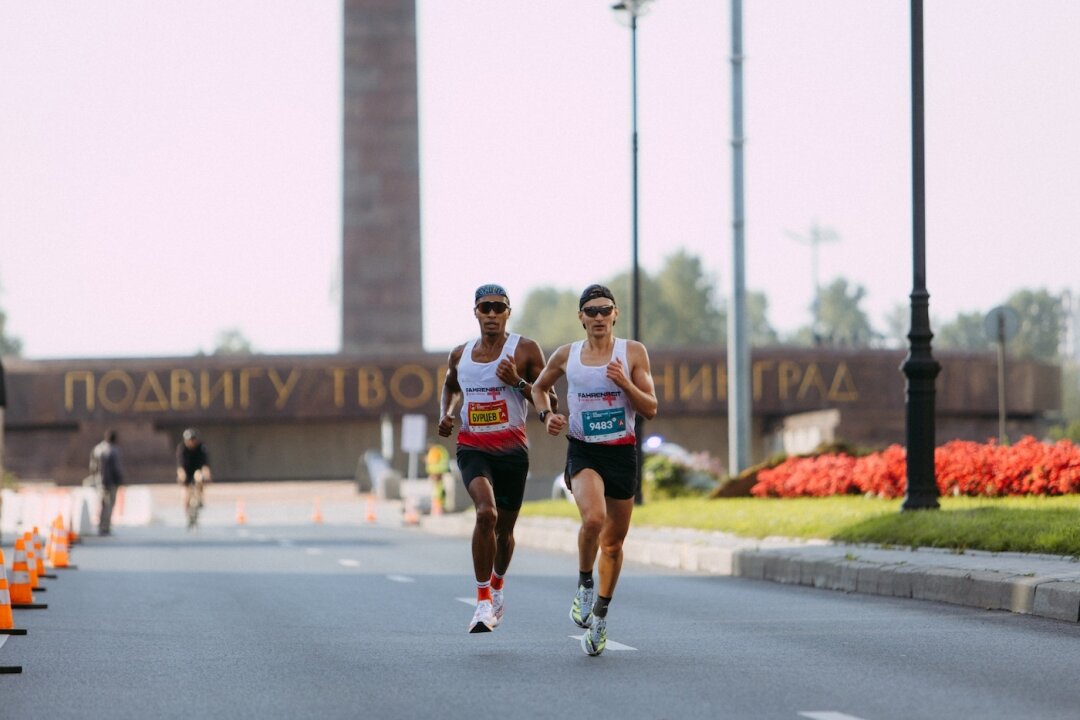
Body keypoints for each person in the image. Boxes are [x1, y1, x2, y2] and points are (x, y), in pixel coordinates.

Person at [530, 284, 658, 656]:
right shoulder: (566, 355)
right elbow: (540, 389)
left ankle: (600, 615)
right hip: (584, 451)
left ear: (615, 314)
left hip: (622, 453)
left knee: (614, 544)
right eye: (592, 311)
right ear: (581, 317)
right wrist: (548, 415)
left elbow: (650, 407)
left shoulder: (632, 352)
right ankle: (585, 585)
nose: (599, 317)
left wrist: (623, 382)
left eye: (605, 311)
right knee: (593, 519)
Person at [438, 283, 554, 634]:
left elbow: (549, 401)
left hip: (512, 451)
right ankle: (483, 601)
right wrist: (446, 413)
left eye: (498, 307)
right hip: (472, 447)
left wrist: (517, 382)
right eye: (485, 307)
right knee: (485, 513)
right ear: (475, 312)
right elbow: (451, 386)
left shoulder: (527, 349)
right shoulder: (461, 354)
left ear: (508, 312)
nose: (491, 314)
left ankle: (498, 585)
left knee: (505, 531)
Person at [89, 429, 124, 536]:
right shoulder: (114, 450)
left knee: (103, 504)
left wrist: (95, 477)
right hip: (111, 482)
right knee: (109, 505)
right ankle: (105, 527)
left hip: (99, 481)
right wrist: (120, 480)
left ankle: (101, 526)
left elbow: (92, 466)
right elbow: (117, 468)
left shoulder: (97, 449)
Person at [176, 428, 212, 527]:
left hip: (197, 470)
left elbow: (205, 464)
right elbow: (180, 466)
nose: (191, 442)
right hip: (186, 472)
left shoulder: (201, 447)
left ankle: (200, 497)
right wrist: (182, 476)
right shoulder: (182, 448)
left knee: (199, 477)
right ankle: (187, 513)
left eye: (192, 440)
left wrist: (207, 473)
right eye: (188, 440)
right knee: (185, 494)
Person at [425, 442, 451, 513]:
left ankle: (437, 509)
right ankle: (439, 508)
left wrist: (427, 461)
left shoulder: (434, 450)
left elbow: (433, 461)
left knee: (436, 491)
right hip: (440, 471)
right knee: (439, 489)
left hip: (436, 471)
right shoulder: (441, 449)